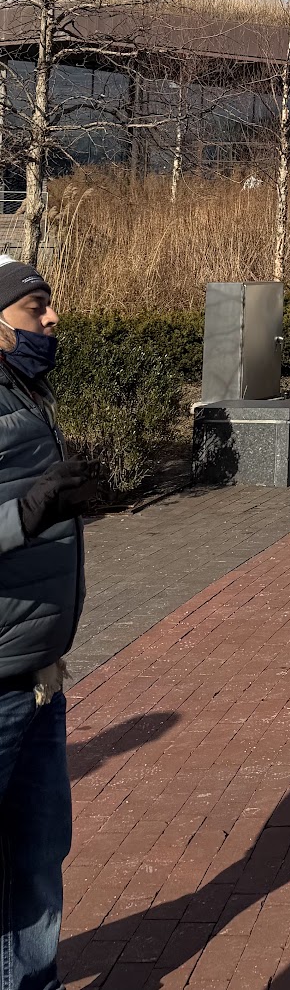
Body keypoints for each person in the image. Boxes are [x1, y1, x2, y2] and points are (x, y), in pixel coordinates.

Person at [0, 256, 95, 990]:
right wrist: (26, 513)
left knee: (35, 858)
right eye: (36, 307)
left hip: (38, 674)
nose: (52, 317)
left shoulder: (24, 390)